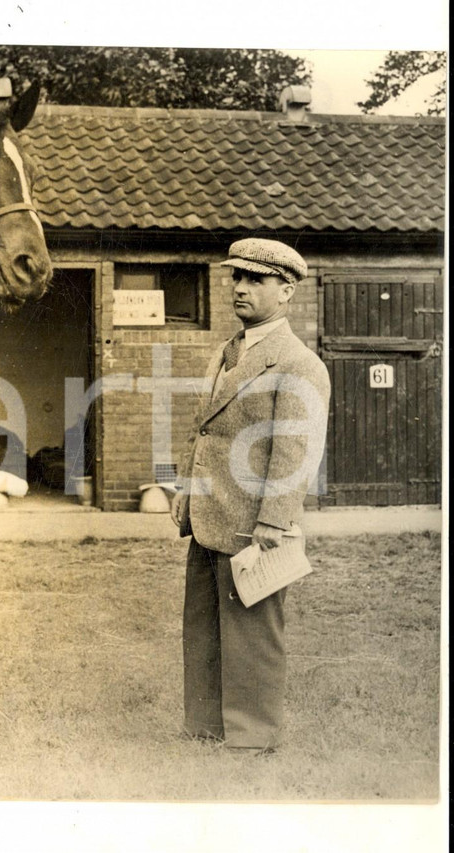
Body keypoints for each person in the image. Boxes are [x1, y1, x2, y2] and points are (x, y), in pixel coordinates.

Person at [170, 238, 330, 754]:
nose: (240, 288)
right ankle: (205, 726)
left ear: (286, 291)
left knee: (253, 630)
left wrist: (274, 521)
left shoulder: (299, 364)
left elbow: (294, 452)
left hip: (252, 522)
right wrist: (186, 488)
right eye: (236, 277)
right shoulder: (228, 351)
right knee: (203, 626)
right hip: (209, 515)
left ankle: (252, 736)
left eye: (255, 280)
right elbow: (203, 429)